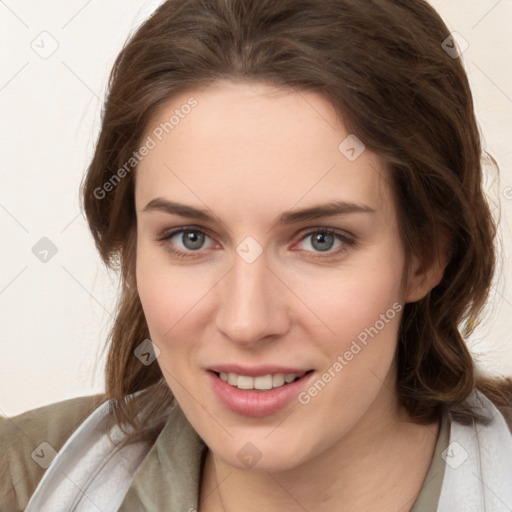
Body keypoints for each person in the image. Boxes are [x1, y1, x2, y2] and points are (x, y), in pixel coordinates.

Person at [2, 0, 512, 510]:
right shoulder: (19, 482)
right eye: (191, 238)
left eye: (321, 240)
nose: (247, 323)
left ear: (425, 256)